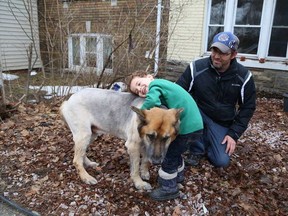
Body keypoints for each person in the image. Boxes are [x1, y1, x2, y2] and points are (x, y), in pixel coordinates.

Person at [176, 31, 256, 168]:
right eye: (214, 50)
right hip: (198, 114)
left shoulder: (244, 77)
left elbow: (247, 108)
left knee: (221, 161)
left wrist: (233, 134)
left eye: (223, 53)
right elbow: (179, 92)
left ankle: (207, 141)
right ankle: (196, 148)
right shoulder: (196, 68)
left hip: (222, 122)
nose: (217, 56)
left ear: (233, 55)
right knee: (188, 109)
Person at [126, 71, 203, 201]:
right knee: (177, 151)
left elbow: (151, 100)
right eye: (137, 90)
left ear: (149, 77)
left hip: (186, 126)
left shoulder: (155, 85)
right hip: (196, 125)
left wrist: (143, 113)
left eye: (139, 83)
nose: (140, 89)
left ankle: (169, 188)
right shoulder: (167, 85)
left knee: (170, 157)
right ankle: (178, 176)